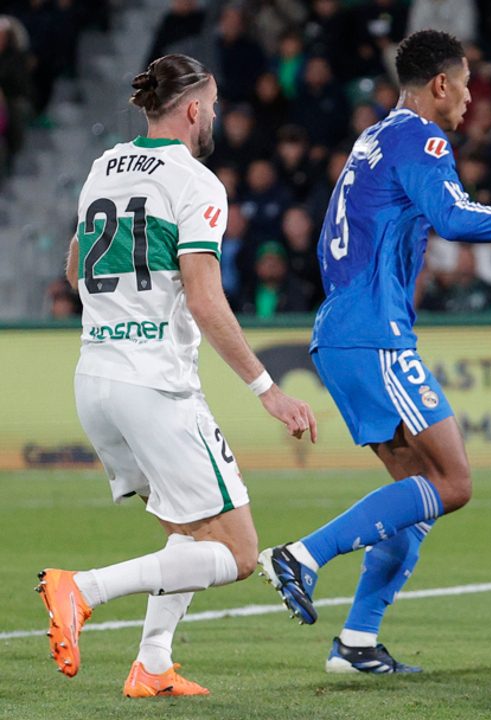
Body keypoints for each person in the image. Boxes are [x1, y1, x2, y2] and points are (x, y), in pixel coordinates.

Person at [257, 29, 491, 674]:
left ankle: (355, 643)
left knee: (419, 493)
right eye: (465, 85)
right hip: (374, 334)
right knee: (455, 482)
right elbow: (456, 217)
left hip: (344, 330)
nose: (470, 99)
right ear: (440, 84)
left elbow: (332, 239)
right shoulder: (421, 137)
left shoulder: (372, 138)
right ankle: (302, 555)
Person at [39, 54, 317, 697]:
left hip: (96, 379)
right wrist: (266, 388)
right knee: (239, 552)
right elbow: (203, 297)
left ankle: (154, 663)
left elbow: (78, 271)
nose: (213, 115)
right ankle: (81, 590)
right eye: (212, 105)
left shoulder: (102, 166)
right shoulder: (195, 181)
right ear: (194, 108)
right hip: (154, 385)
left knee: (187, 533)